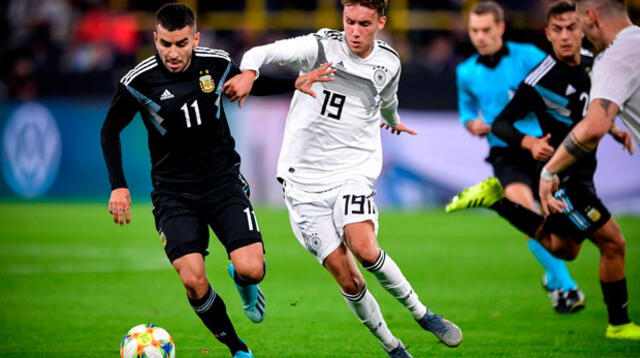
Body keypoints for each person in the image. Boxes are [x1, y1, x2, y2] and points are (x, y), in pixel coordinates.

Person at [223, 1, 462, 357]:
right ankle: (394, 347)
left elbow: (388, 100)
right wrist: (249, 73)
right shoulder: (320, 47)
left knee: (365, 248)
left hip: (352, 172)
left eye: (364, 23)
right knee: (348, 278)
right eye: (349, 21)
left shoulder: (388, 63)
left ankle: (424, 315)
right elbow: (261, 51)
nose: (354, 30)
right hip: (302, 182)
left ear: (380, 22)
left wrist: (392, 120)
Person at [100, 4, 331, 357]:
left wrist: (295, 83)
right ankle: (238, 349)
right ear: (155, 39)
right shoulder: (138, 81)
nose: (172, 53)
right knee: (193, 279)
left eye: (180, 43)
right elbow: (109, 130)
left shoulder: (217, 63)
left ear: (195, 39)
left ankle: (245, 285)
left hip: (222, 183)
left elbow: (250, 82)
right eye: (165, 44)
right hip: (174, 193)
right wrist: (118, 185)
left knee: (251, 269)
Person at [447, 0, 640, 340]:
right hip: (549, 164)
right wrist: (525, 142)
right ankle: (609, 317)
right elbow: (499, 121)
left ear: (583, 26)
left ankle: (496, 202)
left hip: (573, 165)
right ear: (548, 33)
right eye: (558, 29)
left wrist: (612, 127)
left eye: (571, 28)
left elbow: (590, 105)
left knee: (565, 248)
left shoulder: (594, 63)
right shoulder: (533, 77)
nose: (566, 36)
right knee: (614, 243)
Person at [455, 0, 585, 313]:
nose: (480, 37)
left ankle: (553, 279)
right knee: (528, 215)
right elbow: (466, 108)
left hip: (542, 146)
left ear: (500, 27)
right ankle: (568, 287)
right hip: (503, 152)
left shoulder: (528, 55)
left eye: (486, 29)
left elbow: (560, 84)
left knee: (554, 224)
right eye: (474, 31)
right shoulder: (465, 71)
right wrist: (472, 123)